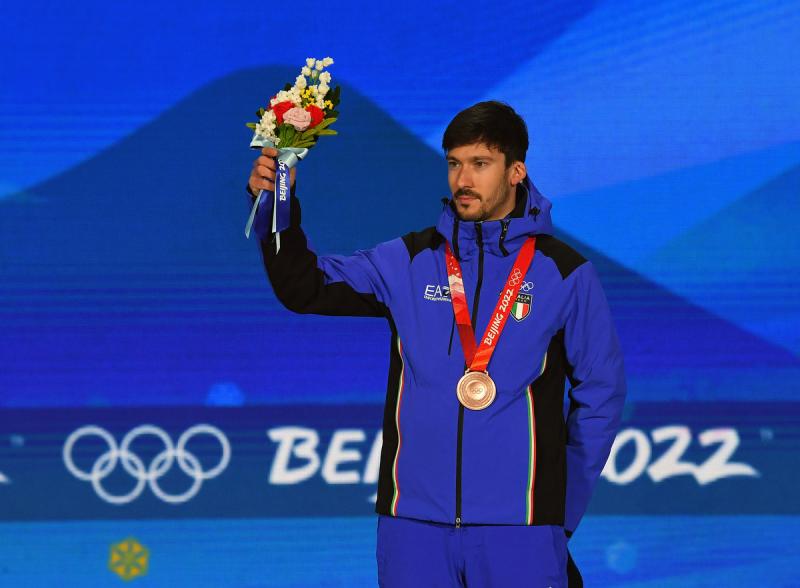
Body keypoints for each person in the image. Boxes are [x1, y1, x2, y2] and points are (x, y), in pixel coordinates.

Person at [246, 100, 626, 587]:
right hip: (413, 529)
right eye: (454, 163)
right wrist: (277, 204)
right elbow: (303, 287)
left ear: (516, 171)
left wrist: (556, 509)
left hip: (521, 530)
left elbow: (602, 394)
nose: (463, 179)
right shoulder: (408, 260)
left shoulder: (565, 273)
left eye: (480, 164)